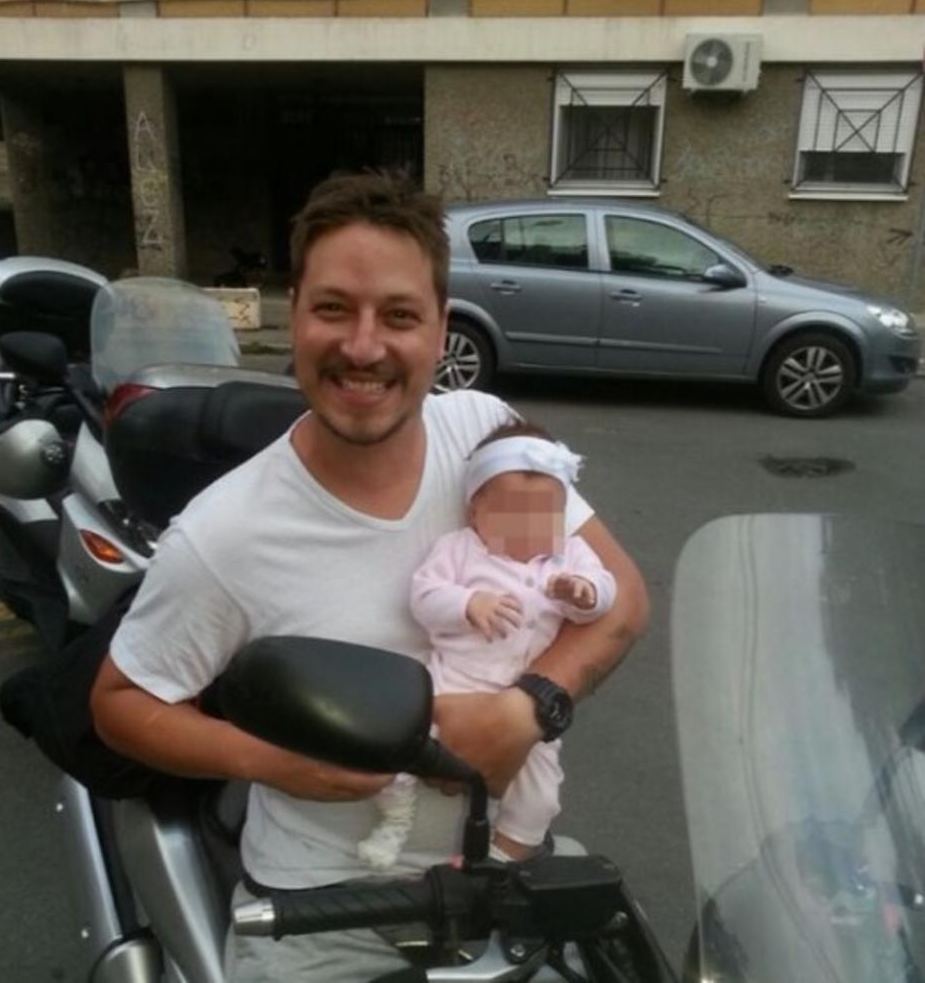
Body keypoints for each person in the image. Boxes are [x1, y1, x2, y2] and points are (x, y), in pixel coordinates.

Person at [90, 170, 650, 982]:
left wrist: (532, 705)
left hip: (501, 872)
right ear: (294, 314)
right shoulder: (225, 534)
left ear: (441, 328)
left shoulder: (486, 437)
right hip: (327, 908)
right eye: (332, 309)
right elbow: (120, 703)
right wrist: (278, 764)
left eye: (398, 315)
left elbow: (621, 599)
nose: (363, 347)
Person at [357, 420, 617, 871]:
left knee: (541, 795)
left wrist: (586, 593)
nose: (529, 530)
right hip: (452, 684)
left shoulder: (570, 556)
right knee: (398, 750)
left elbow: (608, 589)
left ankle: (502, 857)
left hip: (528, 699)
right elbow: (424, 595)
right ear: (476, 510)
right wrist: (466, 603)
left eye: (546, 516)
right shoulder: (459, 549)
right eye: (512, 516)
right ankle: (394, 822)